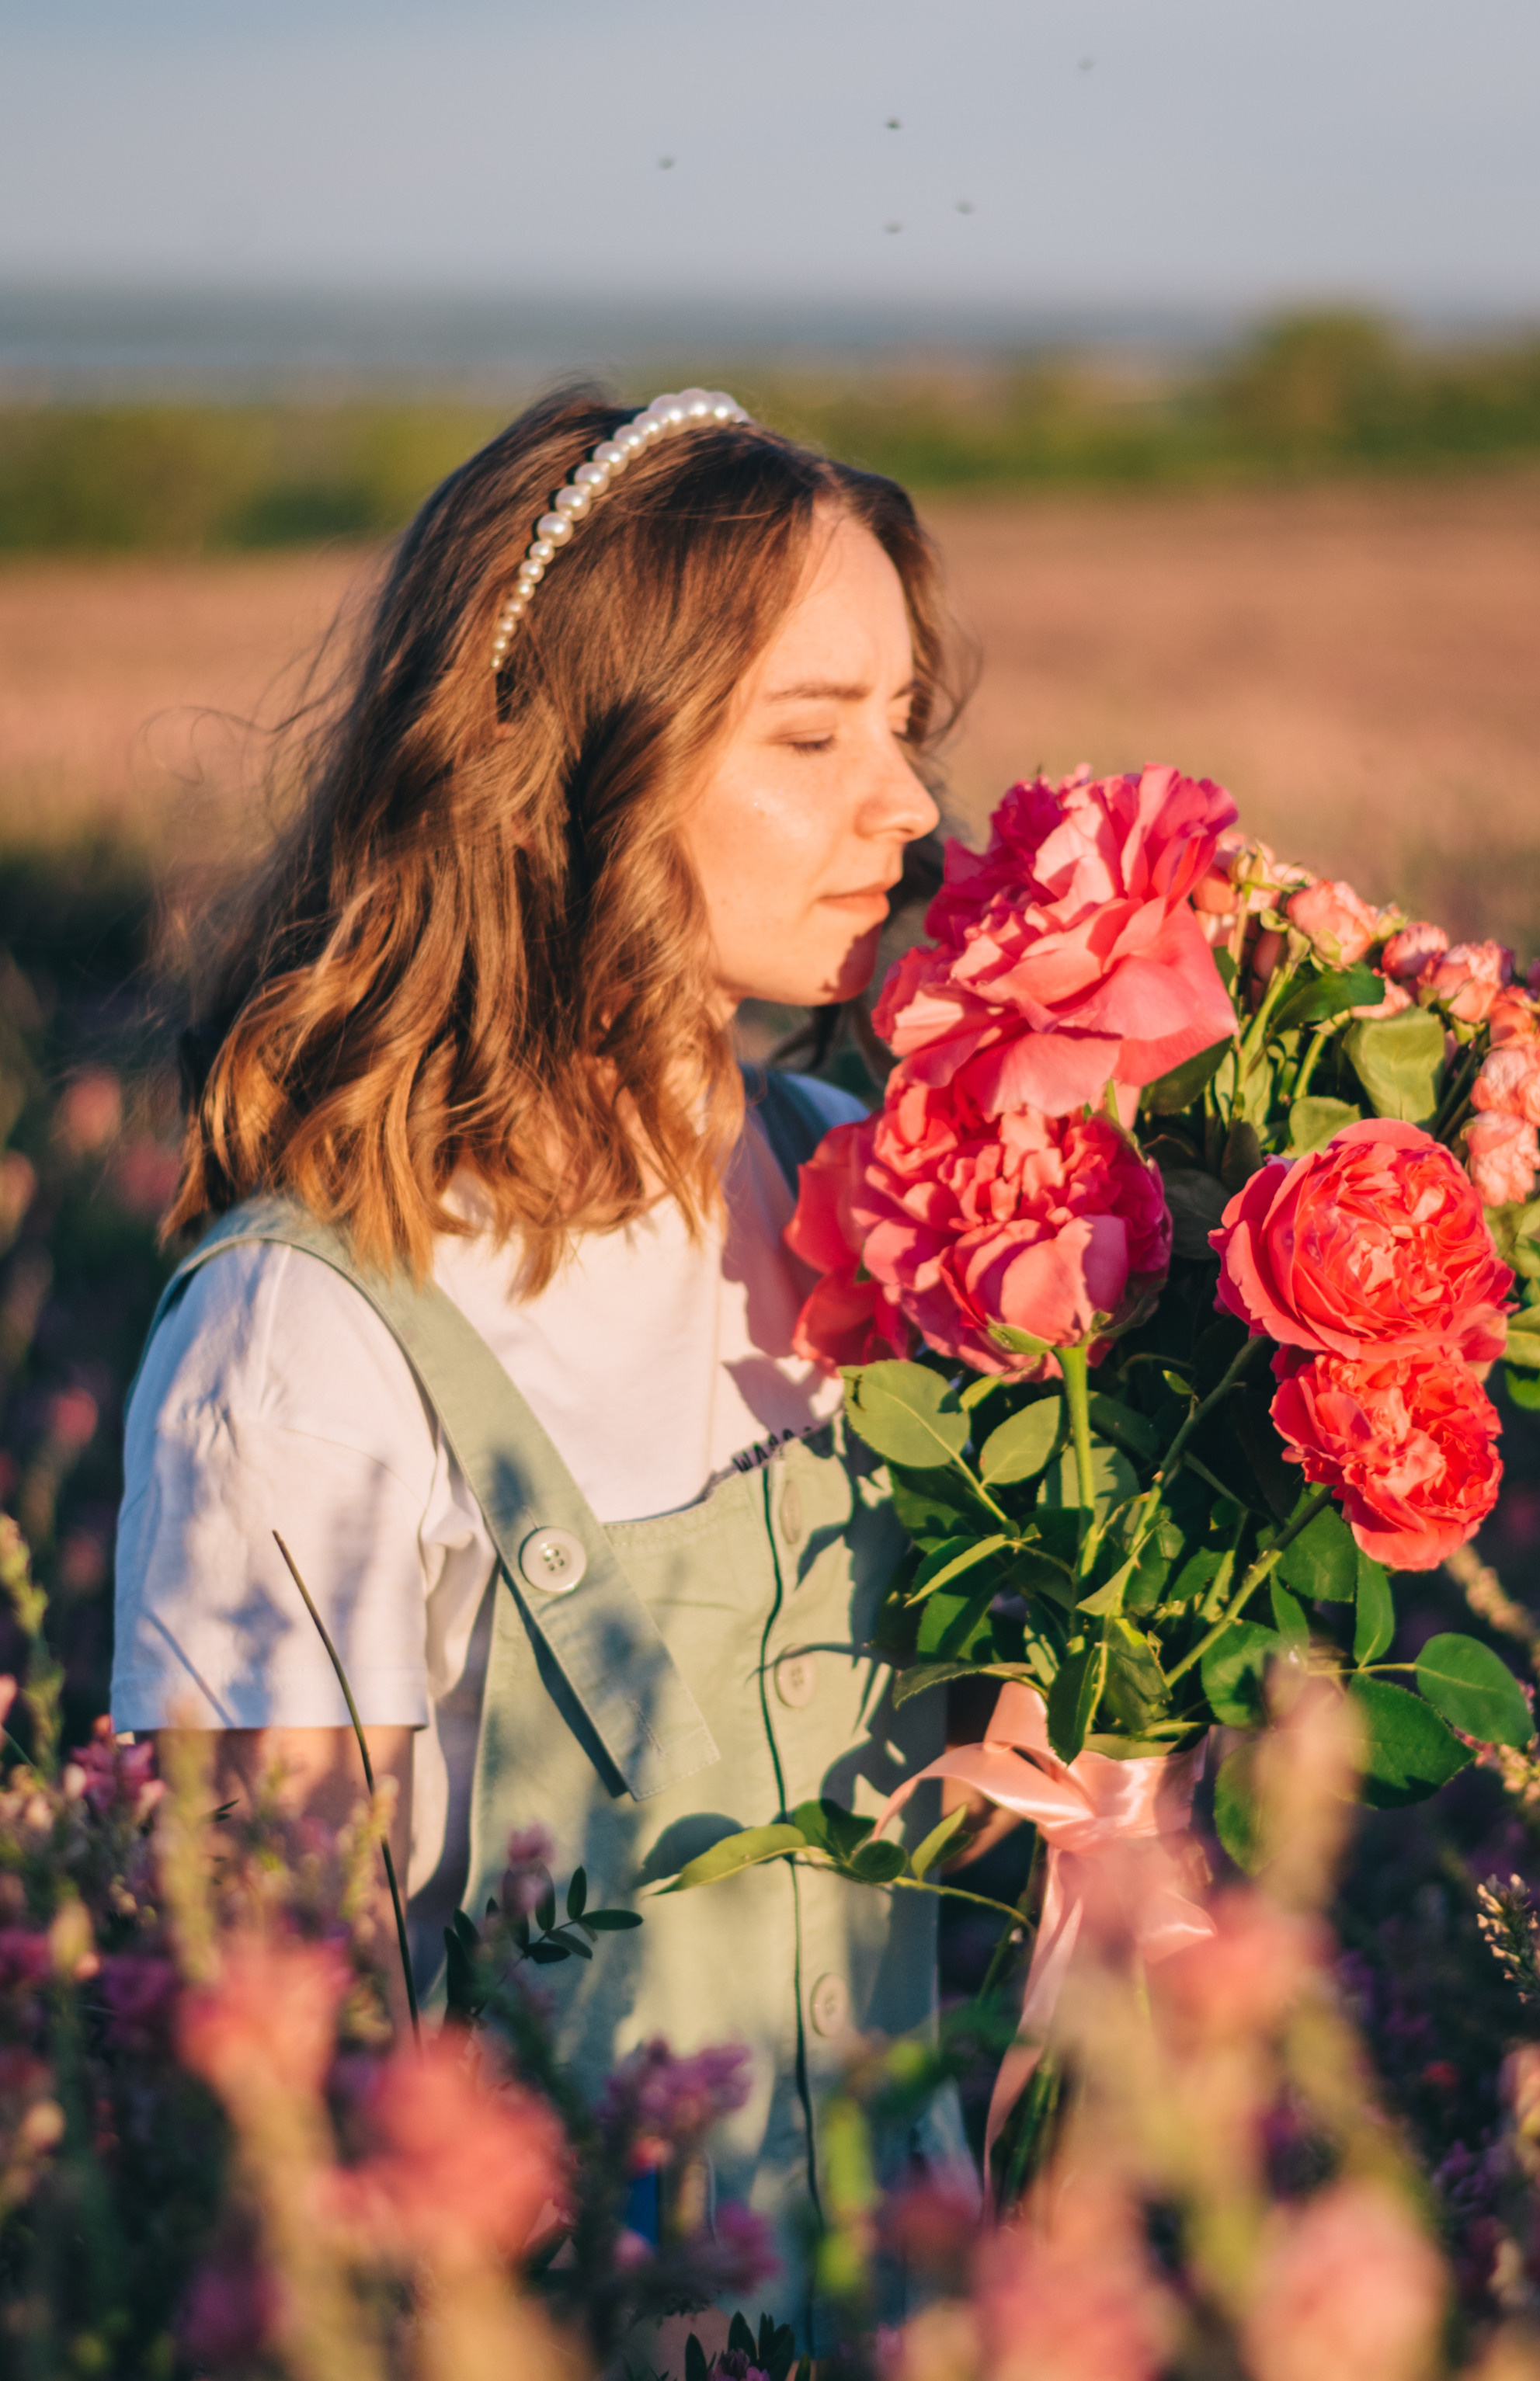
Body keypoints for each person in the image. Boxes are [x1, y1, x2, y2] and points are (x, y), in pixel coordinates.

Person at [111, 385, 972, 2321]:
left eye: (905, 725)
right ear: (565, 769)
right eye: (814, 735)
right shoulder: (308, 1334)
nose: (909, 806)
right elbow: (287, 2072)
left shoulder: (884, 1191)